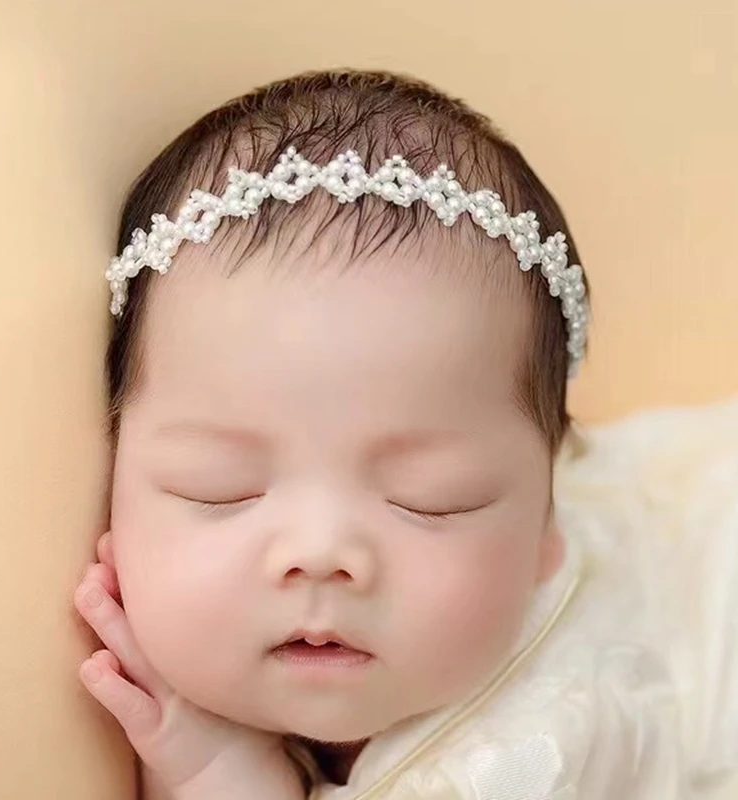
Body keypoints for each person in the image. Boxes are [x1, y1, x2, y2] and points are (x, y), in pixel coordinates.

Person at [72, 68, 737, 799]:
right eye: (219, 486)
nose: (322, 554)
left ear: (547, 520)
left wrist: (220, 777)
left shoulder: (552, 740)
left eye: (431, 499)